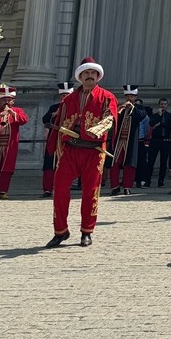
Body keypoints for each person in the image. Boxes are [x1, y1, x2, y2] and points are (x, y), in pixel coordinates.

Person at [47, 57, 118, 248]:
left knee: (90, 192)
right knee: (60, 188)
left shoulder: (106, 97)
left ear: (98, 76)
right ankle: (60, 231)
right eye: (86, 73)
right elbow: (60, 120)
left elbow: (110, 117)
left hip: (93, 151)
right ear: (80, 76)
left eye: (93, 73)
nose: (89, 76)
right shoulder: (68, 99)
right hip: (71, 149)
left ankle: (87, 231)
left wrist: (99, 129)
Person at [109, 84, 147, 195]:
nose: (129, 98)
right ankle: (115, 186)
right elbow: (112, 120)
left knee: (129, 164)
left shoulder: (140, 108)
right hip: (119, 140)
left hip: (131, 141)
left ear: (135, 97)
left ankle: (127, 187)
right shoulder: (121, 107)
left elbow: (141, 117)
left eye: (132, 96)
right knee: (115, 163)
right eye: (128, 96)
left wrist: (132, 108)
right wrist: (118, 110)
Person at [42, 81, 71, 197]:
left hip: (68, 140)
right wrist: (53, 114)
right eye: (63, 95)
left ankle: (63, 188)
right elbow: (45, 120)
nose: (65, 97)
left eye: (67, 95)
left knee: (66, 165)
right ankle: (47, 189)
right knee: (50, 164)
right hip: (53, 139)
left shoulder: (75, 108)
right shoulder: (54, 107)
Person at [147, 98, 171, 187]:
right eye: (161, 104)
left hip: (165, 140)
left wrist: (159, 124)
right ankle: (147, 180)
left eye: (165, 104)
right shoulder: (154, 115)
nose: (163, 106)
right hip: (155, 140)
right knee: (151, 160)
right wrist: (159, 116)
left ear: (167, 105)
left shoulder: (170, 115)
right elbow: (151, 123)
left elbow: (168, 124)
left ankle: (161, 181)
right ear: (159, 105)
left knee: (163, 161)